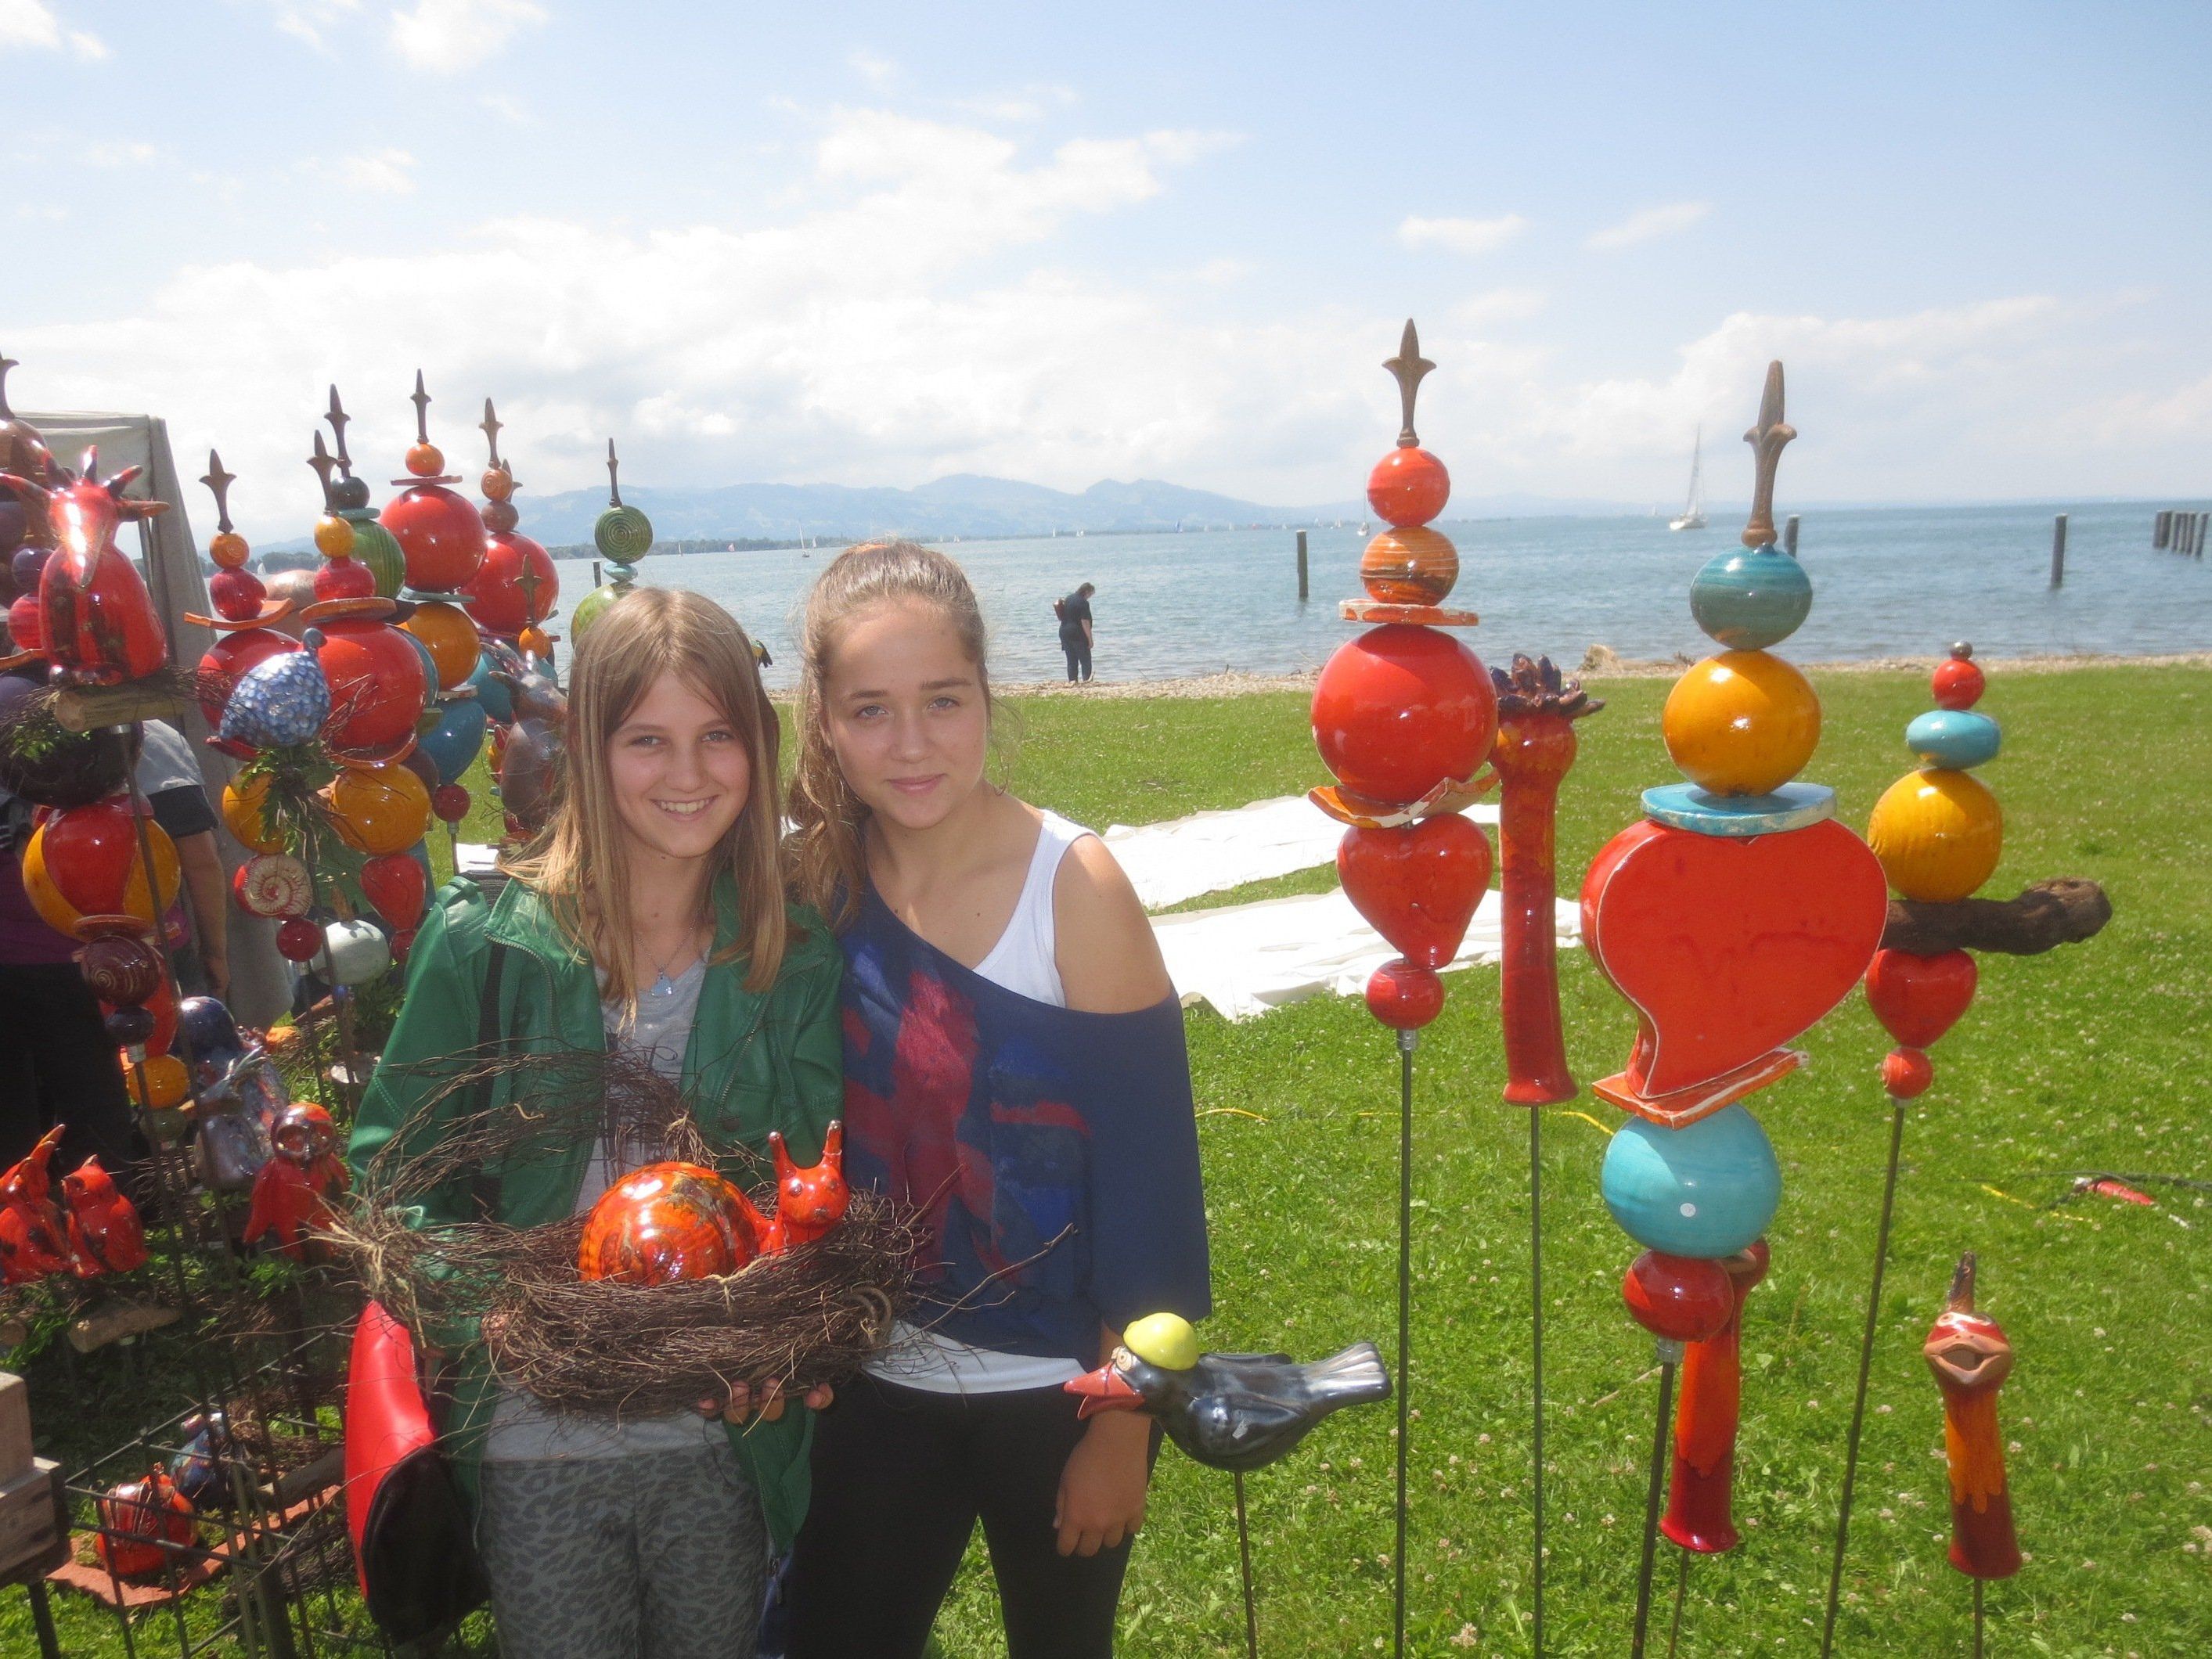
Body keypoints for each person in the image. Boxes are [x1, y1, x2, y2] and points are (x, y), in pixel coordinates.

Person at [348, 588, 843, 1659]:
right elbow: (394, 1174)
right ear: (587, 746)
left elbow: (806, 1185)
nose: (687, 774)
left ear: (757, 751)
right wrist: (493, 1309)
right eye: (647, 740)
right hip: (539, 1435)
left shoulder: (788, 958)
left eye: (719, 736)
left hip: (720, 1434)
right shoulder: (491, 944)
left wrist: (784, 1328)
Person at [783, 542, 1209, 1659]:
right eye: (870, 710)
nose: (911, 744)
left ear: (986, 698)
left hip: (1061, 1390)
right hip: (873, 1383)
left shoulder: (1075, 888)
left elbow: (1151, 1187)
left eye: (942, 702)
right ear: (823, 721)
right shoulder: (813, 883)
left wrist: (1125, 1423)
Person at [133, 719, 228, 999]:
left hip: (26, 958)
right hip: (153, 950)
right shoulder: (155, 737)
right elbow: (200, 861)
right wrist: (215, 954)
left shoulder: (19, 724)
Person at [1055, 581, 1095, 684]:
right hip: (1077, 633)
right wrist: (1090, 639)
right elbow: (1085, 621)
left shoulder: (1069, 598)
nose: (1090, 597)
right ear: (1086, 592)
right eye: (1090, 594)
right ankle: (1087, 680)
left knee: (1071, 659)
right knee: (1085, 659)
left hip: (1064, 632)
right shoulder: (1083, 603)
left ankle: (1072, 681)